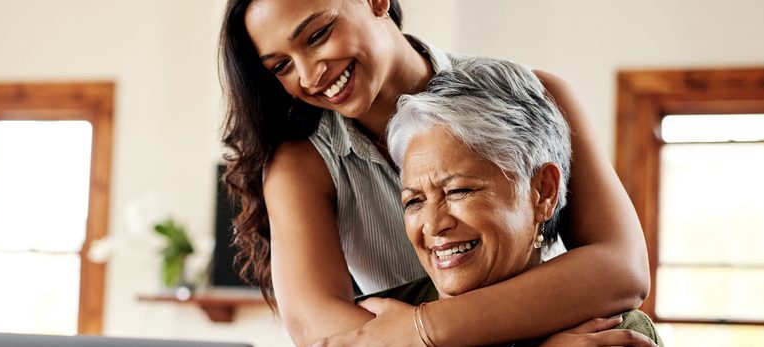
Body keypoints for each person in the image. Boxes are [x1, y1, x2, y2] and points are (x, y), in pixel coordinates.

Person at [219, 0, 651, 345]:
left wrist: (423, 330)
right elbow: (327, 336)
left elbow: (622, 270)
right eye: (281, 66)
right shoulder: (302, 162)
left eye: (318, 34)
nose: (310, 76)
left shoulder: (535, 95)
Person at [348, 58, 661, 347]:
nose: (433, 224)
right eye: (414, 200)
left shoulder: (610, 331)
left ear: (543, 192)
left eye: (458, 191)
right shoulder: (372, 325)